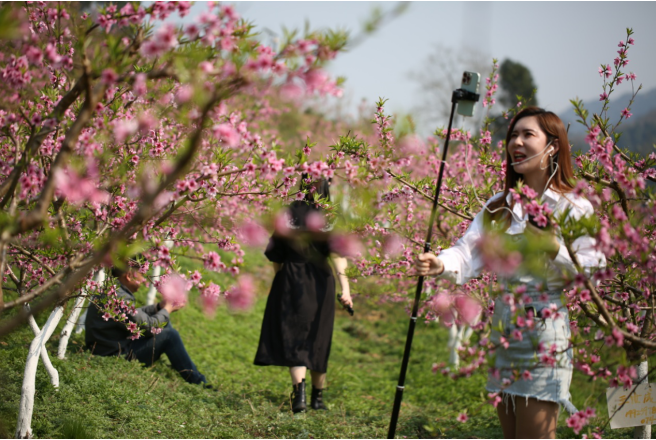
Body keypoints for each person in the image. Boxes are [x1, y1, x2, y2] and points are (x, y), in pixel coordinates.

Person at [416, 107, 605, 439]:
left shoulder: (573, 207)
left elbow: (593, 270)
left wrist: (554, 249)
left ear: (553, 146)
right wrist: (440, 263)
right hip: (504, 333)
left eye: (527, 135)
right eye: (513, 136)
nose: (516, 142)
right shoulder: (499, 206)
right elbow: (468, 250)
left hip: (545, 336)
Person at [254, 177, 353, 413]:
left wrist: (281, 278)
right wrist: (346, 290)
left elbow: (275, 254)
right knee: (319, 337)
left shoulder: (288, 213)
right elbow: (339, 256)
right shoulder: (331, 216)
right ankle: (318, 400)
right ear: (325, 188)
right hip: (321, 282)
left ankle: (299, 396)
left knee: (295, 336)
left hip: (291, 279)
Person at [85, 261, 208, 386]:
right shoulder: (120, 297)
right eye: (141, 275)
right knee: (170, 335)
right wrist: (168, 309)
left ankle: (183, 365)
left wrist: (159, 307)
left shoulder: (113, 289)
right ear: (129, 275)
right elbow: (148, 326)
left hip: (108, 346)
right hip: (114, 354)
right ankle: (198, 381)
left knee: (163, 322)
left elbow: (136, 315)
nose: (144, 279)